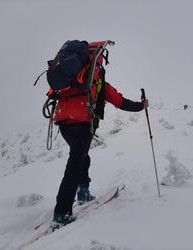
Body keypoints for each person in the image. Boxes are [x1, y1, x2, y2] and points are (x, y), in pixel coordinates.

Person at [51, 41, 149, 226]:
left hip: (64, 124)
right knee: (74, 166)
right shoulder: (96, 82)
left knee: (81, 157)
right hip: (82, 125)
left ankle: (83, 192)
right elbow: (120, 102)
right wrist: (140, 106)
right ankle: (61, 213)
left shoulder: (71, 78)